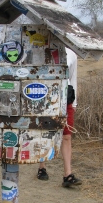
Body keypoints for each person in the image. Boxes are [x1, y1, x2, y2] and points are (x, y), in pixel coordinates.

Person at [37, 47, 82, 187]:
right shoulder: (41, 49)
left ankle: (67, 174)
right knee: (44, 132)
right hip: (45, 95)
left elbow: (72, 78)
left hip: (66, 97)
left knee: (67, 135)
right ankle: (41, 167)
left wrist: (74, 103)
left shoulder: (71, 54)